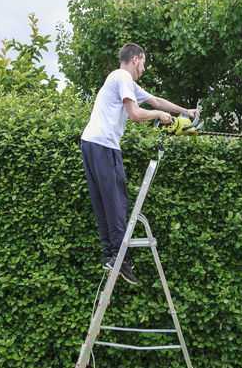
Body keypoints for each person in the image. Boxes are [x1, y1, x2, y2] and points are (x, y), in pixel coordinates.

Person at [80, 43, 198, 285]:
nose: (143, 68)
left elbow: (155, 100)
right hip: (104, 145)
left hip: (92, 143)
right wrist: (158, 117)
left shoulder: (123, 82)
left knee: (105, 201)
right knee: (116, 200)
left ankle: (111, 255)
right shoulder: (122, 76)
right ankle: (119, 258)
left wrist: (185, 111)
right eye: (143, 63)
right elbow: (135, 114)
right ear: (136, 59)